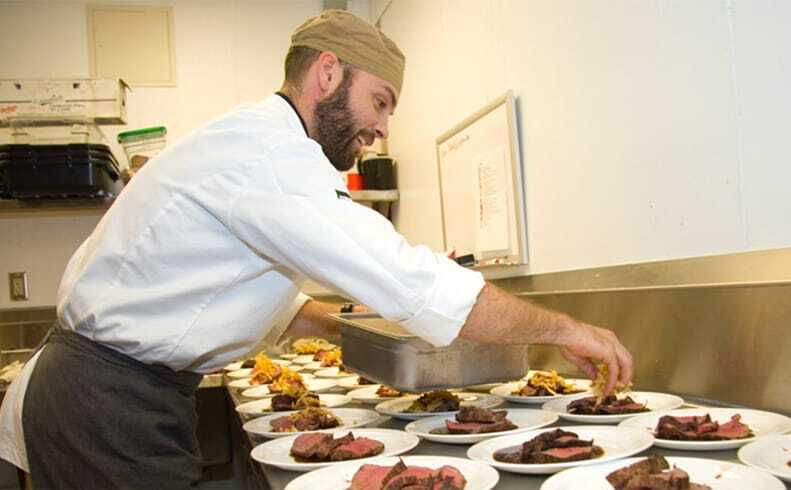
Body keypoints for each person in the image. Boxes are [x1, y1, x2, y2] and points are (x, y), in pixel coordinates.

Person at [0, 9, 632, 489]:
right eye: (380, 102)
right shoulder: (271, 155)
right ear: (327, 72)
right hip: (107, 404)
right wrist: (566, 329)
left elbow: (272, 300)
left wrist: (355, 334)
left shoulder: (258, 149)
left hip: (111, 393)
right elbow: (417, 284)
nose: (384, 128)